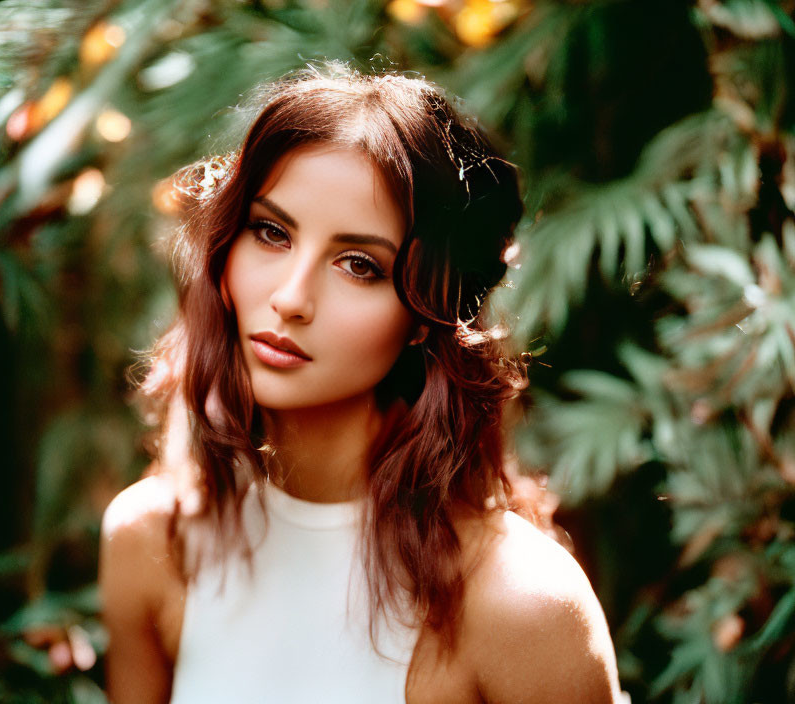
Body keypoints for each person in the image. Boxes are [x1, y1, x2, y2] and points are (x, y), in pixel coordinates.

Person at [99, 63, 625, 703]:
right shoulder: (151, 544)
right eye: (271, 232)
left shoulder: (522, 605)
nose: (290, 298)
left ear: (423, 318)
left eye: (359, 266)